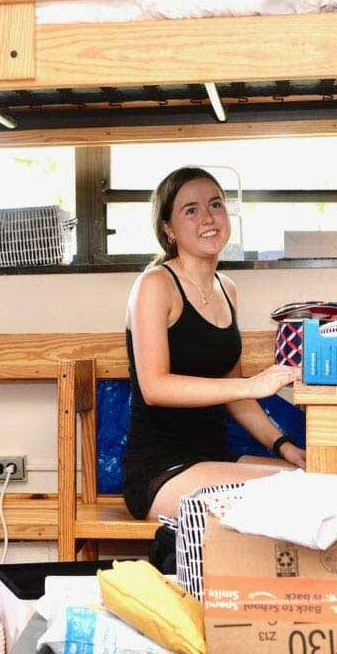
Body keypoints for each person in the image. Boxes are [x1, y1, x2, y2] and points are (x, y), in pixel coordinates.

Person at [123, 166, 305, 521]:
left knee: (314, 481)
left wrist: (284, 447)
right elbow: (154, 388)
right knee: (296, 497)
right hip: (162, 471)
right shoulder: (155, 285)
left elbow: (237, 398)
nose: (207, 217)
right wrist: (251, 383)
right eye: (190, 210)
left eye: (215, 205)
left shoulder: (227, 289)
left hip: (214, 460)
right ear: (168, 229)